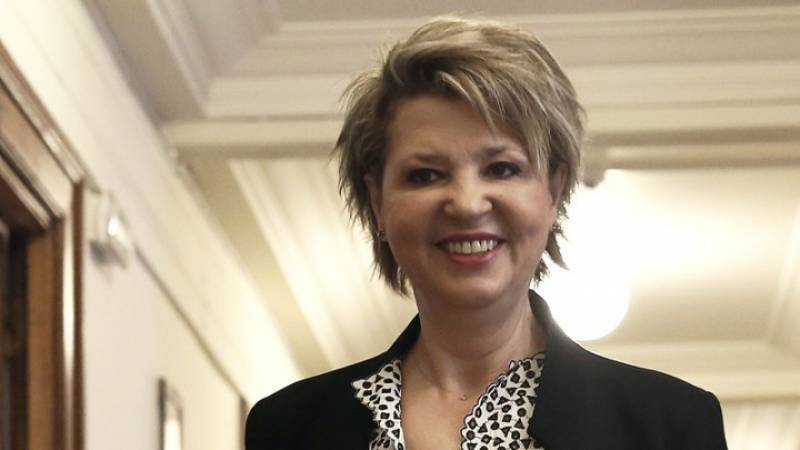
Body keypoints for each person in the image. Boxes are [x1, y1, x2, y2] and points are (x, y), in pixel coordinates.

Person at [245, 17, 728, 450]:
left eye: (501, 168)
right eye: (425, 175)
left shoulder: (669, 425)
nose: (467, 203)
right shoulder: (288, 428)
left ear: (553, 190)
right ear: (378, 202)